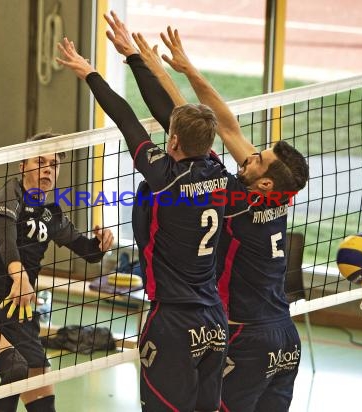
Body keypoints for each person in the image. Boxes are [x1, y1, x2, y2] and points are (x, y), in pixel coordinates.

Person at [122, 23, 309, 411]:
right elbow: (226, 125)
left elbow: (198, 129)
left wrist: (158, 72)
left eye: (259, 159)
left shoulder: (236, 195)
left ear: (264, 183)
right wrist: (187, 68)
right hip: (285, 339)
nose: (251, 156)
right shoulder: (278, 194)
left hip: (246, 338)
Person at [57, 25, 231, 412]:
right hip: (215, 320)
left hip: (172, 320)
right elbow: (170, 116)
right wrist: (133, 58)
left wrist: (90, 73)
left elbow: (127, 118)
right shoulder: (219, 172)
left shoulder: (165, 177)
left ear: (171, 142)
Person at [0, 132, 114, 412]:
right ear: (22, 166)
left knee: (43, 404)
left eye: (53, 164)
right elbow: (8, 241)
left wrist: (102, 244)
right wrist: (20, 277)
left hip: (21, 320)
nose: (47, 169)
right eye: (40, 162)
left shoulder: (50, 216)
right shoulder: (8, 197)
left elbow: (88, 252)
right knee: (15, 369)